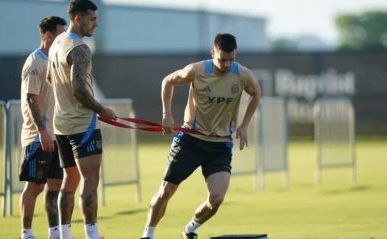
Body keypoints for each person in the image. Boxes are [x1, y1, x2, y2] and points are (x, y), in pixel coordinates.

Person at [140, 33, 261, 239]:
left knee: (217, 198)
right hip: (190, 141)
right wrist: (167, 115)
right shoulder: (196, 70)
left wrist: (244, 125)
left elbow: (256, 93)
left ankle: (189, 229)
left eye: (231, 59)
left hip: (220, 146)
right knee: (166, 191)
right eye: (223, 59)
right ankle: (148, 235)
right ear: (212, 52)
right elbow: (167, 81)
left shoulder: (242, 74)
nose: (227, 64)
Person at [47, 1, 116, 238]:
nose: (96, 24)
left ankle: (64, 235)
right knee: (90, 181)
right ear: (77, 18)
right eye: (92, 19)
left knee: (70, 180)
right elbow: (79, 90)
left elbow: (50, 79)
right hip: (82, 124)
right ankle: (92, 234)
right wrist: (101, 110)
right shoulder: (80, 49)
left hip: (61, 124)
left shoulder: (56, 43)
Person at [19, 16, 67, 239]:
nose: (64, 38)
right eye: (60, 34)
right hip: (38, 135)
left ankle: (54, 233)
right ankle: (26, 233)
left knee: (55, 184)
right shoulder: (35, 63)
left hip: (57, 135)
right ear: (48, 36)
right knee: (35, 186)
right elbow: (31, 99)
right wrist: (42, 131)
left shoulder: (57, 60)